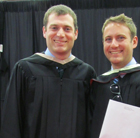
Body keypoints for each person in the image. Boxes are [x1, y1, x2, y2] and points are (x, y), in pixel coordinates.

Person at [0, 4, 96, 137]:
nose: (60, 34)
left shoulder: (86, 74)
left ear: (76, 34)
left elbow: (92, 126)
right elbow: (11, 123)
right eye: (54, 28)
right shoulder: (25, 70)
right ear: (44, 31)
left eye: (67, 29)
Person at [87, 13, 140, 138]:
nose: (114, 45)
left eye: (120, 38)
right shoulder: (98, 85)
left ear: (134, 41)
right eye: (108, 39)